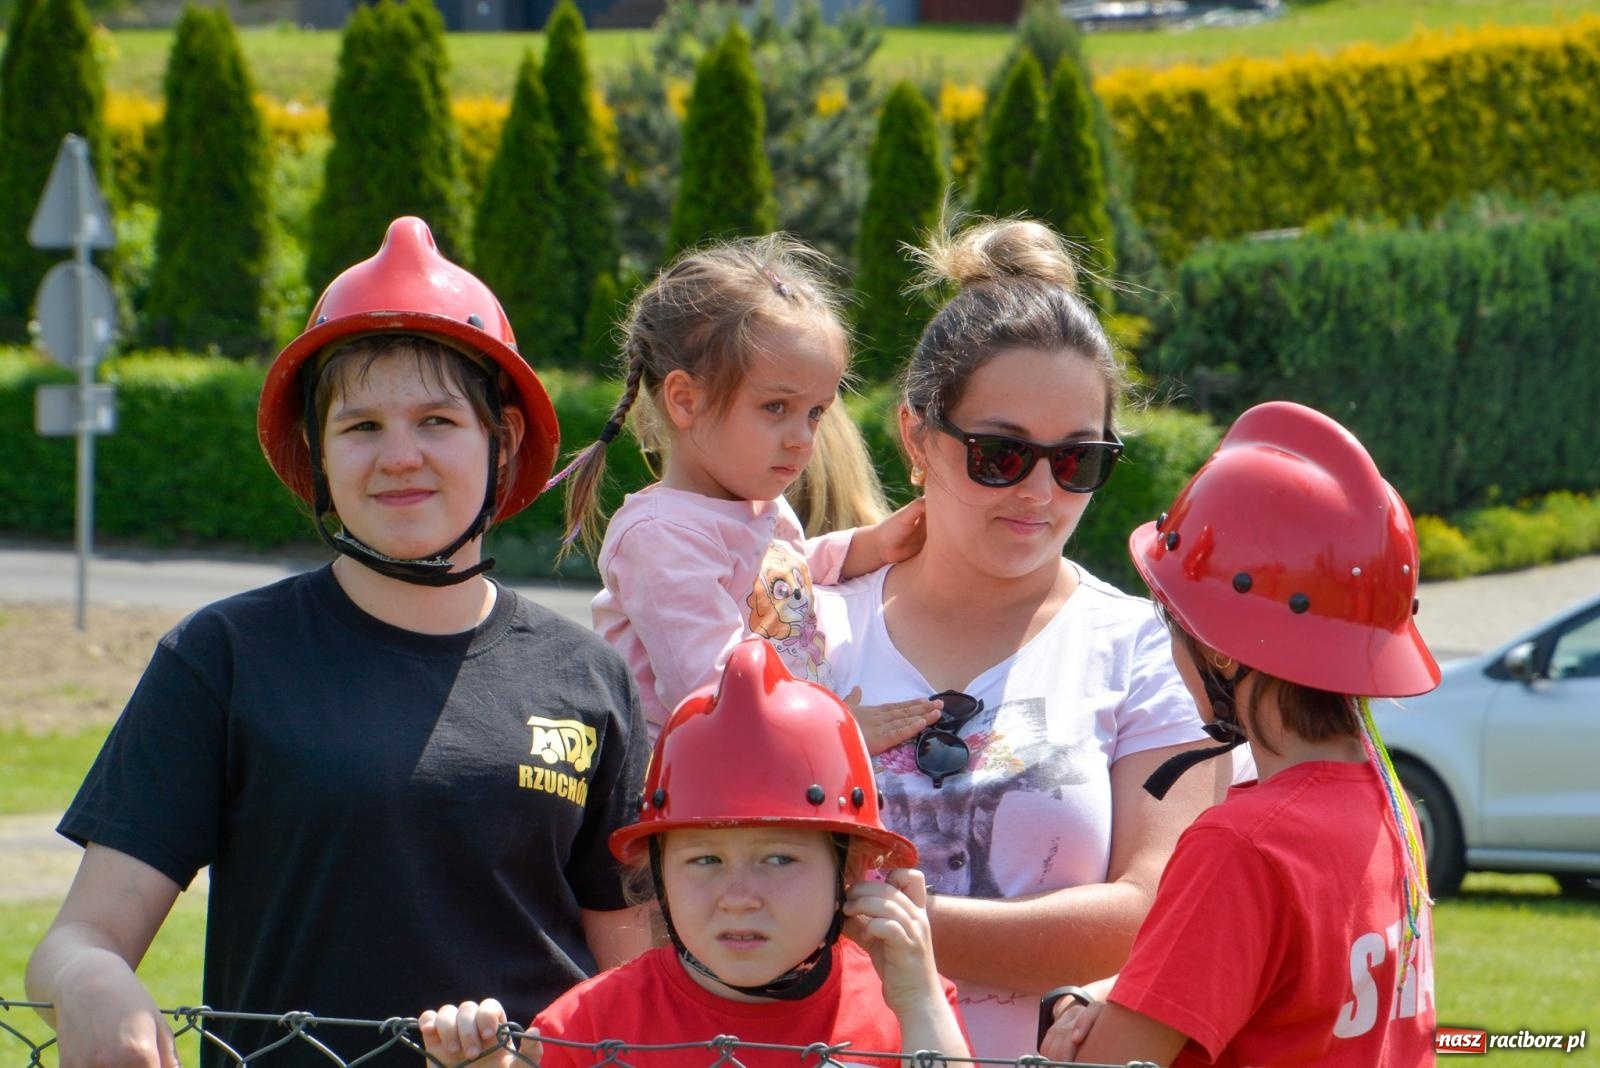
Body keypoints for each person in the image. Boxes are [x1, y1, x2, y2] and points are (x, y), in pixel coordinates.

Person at [25, 217, 651, 1068]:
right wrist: (90, 979)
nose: (400, 457)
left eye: (437, 420)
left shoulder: (589, 679)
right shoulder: (224, 658)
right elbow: (79, 936)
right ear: (316, 451)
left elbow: (636, 995)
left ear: (502, 442)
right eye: (360, 428)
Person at [816, 217, 1231, 1057]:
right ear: (915, 436)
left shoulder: (1147, 651)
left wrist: (863, 918)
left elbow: (1157, 913)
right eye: (1000, 454)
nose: (1040, 491)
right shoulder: (810, 626)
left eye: (1078, 460)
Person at [1040, 400, 1440, 1066]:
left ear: (1222, 651)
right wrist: (1124, 993)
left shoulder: (1243, 846)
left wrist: (1072, 1021)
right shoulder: (1391, 808)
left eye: (1173, 627)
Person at [418, 638, 971, 1068]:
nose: (739, 898)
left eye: (779, 859)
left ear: (849, 873)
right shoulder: (590, 1023)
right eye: (705, 860)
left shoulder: (903, 1003)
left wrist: (920, 1000)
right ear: (658, 876)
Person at [554, 234, 934, 744]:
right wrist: (835, 729)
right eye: (776, 407)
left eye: (815, 412)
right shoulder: (662, 537)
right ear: (685, 400)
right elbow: (714, 694)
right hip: (699, 782)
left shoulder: (757, 504)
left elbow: (782, 577)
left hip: (774, 760)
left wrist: (872, 545)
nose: (803, 440)